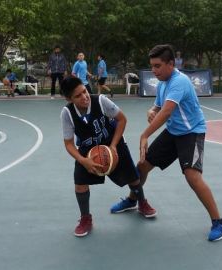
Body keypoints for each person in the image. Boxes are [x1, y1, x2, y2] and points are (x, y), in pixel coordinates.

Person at [111, 44, 222, 242]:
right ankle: (133, 200)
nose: (154, 70)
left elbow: (166, 112)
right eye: (152, 66)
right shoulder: (163, 83)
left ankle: (219, 222)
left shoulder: (179, 81)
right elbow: (159, 107)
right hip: (174, 132)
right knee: (142, 166)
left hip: (192, 133)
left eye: (157, 66)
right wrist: (151, 110)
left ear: (171, 64)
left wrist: (144, 135)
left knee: (192, 177)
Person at [60, 76, 156, 237]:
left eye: (84, 91)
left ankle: (141, 202)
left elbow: (122, 120)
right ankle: (85, 218)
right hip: (88, 150)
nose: (84, 97)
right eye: (78, 95)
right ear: (69, 99)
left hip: (112, 141)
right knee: (80, 184)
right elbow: (69, 143)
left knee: (133, 177)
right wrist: (83, 160)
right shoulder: (67, 113)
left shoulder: (100, 100)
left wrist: (113, 146)